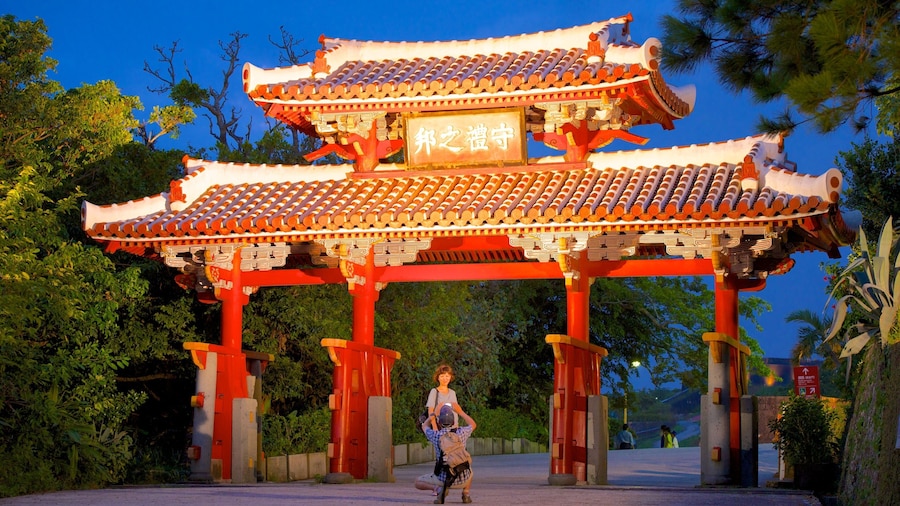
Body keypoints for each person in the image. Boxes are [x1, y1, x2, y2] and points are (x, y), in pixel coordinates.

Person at [422, 404, 477, 504]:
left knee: (418, 482)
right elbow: (473, 424)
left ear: (439, 422)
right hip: (463, 478)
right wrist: (460, 411)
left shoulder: (436, 435)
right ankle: (466, 494)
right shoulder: (461, 432)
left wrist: (433, 414)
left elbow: (424, 426)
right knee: (469, 467)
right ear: (453, 422)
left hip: (443, 480)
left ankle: (439, 490)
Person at [427, 364, 462, 430]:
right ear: (438, 377)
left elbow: (455, 410)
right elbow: (430, 411)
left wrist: (457, 426)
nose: (445, 379)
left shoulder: (452, 393)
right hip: (440, 427)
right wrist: (435, 428)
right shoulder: (434, 391)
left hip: (453, 428)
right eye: (442, 376)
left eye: (447, 376)